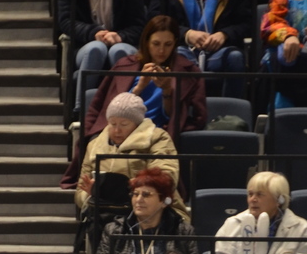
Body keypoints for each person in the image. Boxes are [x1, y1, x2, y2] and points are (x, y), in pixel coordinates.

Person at [63, 15, 205, 189]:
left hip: (157, 132)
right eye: (156, 44)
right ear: (146, 42)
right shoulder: (125, 65)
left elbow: (186, 117)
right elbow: (105, 106)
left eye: (167, 45)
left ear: (175, 43)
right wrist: (140, 87)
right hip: (121, 126)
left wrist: (168, 91)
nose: (161, 51)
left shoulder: (188, 71)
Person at [90, 168, 199, 254]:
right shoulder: (114, 230)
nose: (138, 200)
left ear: (165, 201)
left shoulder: (183, 231)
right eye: (135, 194)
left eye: (146, 195)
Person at [76, 93, 186, 216]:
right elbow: (81, 191)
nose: (117, 130)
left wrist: (119, 190)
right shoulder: (95, 145)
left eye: (124, 124)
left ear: (137, 125)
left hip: (152, 212)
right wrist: (91, 193)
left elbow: (166, 178)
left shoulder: (157, 138)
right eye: (113, 124)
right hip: (104, 213)